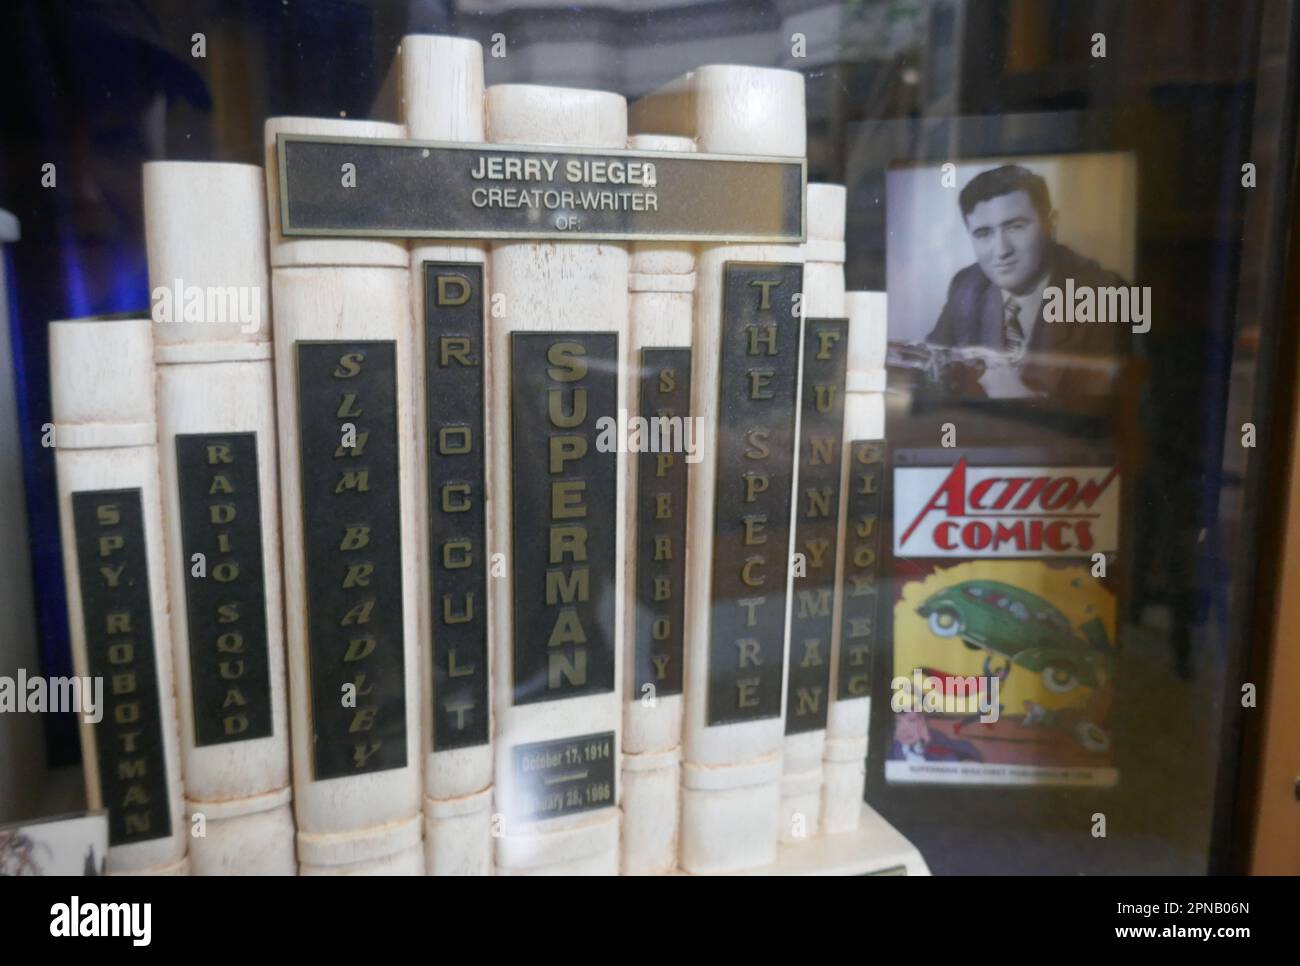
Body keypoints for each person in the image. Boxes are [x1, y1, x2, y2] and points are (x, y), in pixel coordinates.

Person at [926, 164, 1129, 398]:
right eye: (984, 234)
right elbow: (934, 371)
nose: (1001, 251)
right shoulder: (967, 285)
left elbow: (1105, 418)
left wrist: (1024, 398)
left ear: (1050, 225)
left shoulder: (1104, 294)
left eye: (1015, 227)